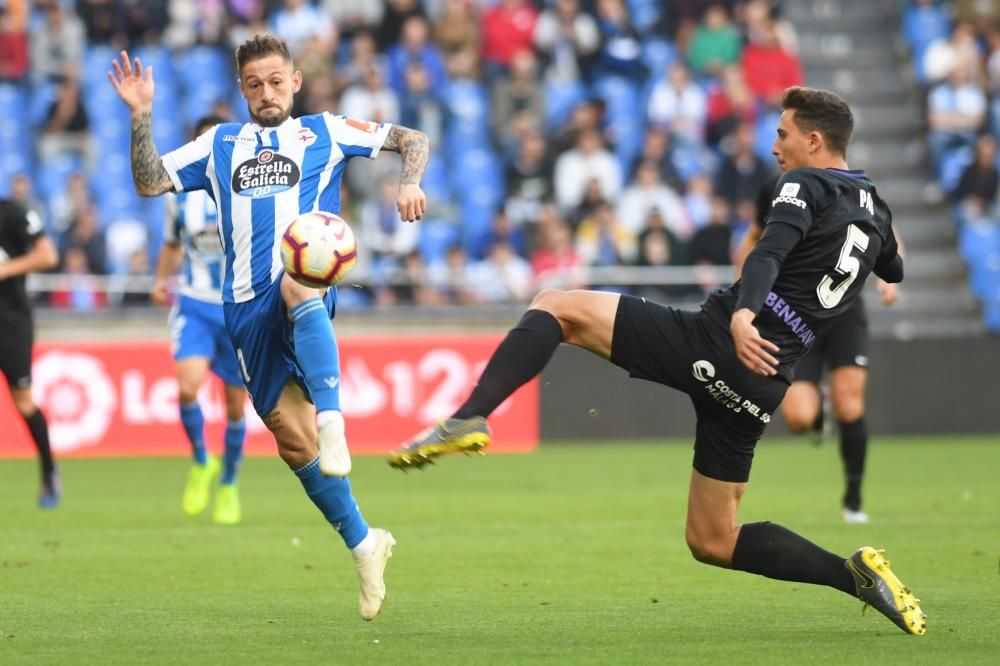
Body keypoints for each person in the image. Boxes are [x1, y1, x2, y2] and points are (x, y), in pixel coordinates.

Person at [389, 87, 927, 636]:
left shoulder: (802, 183)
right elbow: (896, 269)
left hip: (721, 342)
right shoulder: (877, 209)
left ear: (815, 141)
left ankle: (470, 415)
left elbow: (767, 252)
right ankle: (852, 575)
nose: (774, 146)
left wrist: (744, 315)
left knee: (555, 305)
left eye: (783, 134)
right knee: (713, 539)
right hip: (764, 381)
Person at [109, 33, 430, 620]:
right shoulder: (220, 144)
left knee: (297, 276)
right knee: (291, 442)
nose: (267, 93)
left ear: (296, 81)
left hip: (303, 283)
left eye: (276, 81)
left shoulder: (326, 132)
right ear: (242, 89)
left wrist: (409, 180)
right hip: (241, 311)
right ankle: (364, 544)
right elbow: (150, 181)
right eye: (254, 84)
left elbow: (412, 138)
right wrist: (142, 117)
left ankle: (335, 418)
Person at [735, 172, 904, 524]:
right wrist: (743, 293)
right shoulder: (774, 186)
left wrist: (887, 281)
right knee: (798, 418)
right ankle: (819, 408)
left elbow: (885, 229)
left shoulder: (850, 185)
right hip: (794, 314)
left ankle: (853, 501)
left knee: (851, 403)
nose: (778, 147)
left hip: (844, 308)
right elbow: (754, 239)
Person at [152, 114, 248, 525]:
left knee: (235, 408)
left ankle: (228, 483)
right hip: (193, 303)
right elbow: (173, 243)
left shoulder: (246, 191)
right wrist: (161, 279)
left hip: (237, 308)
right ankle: (201, 460)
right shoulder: (181, 196)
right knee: (188, 387)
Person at [0, 198, 60, 507]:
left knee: (23, 403)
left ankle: (49, 471)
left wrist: (5, 270)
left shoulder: (12, 214)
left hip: (9, 322)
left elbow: (48, 255)